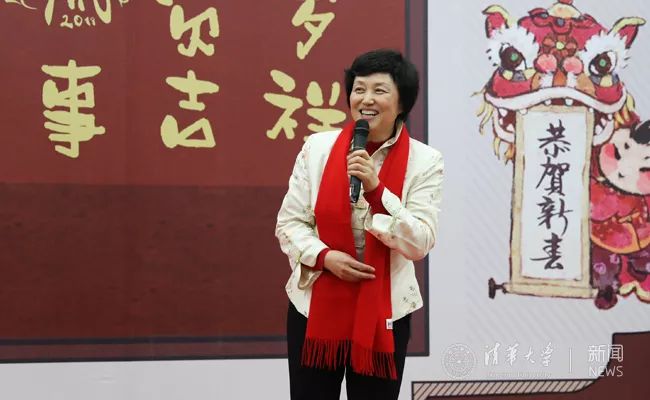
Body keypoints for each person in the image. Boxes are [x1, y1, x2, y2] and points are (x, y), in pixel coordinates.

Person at [275, 49, 444, 400]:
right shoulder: (317, 148)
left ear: (402, 102)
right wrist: (325, 257)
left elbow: (420, 243)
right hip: (315, 306)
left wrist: (377, 191)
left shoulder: (425, 161)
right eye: (359, 89)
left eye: (379, 90)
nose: (366, 99)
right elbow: (289, 224)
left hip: (386, 311)